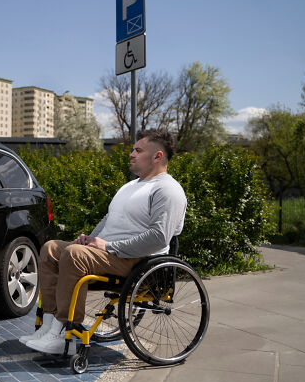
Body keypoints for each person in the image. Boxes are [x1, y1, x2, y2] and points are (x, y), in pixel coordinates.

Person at [21, 129, 187, 355]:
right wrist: (89, 240)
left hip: (136, 260)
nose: (131, 154)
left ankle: (64, 335)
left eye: (138, 150)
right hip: (110, 254)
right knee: (51, 249)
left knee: (74, 255)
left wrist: (107, 246)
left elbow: (158, 237)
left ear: (157, 156)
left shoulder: (168, 190)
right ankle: (50, 327)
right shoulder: (130, 186)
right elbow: (110, 220)